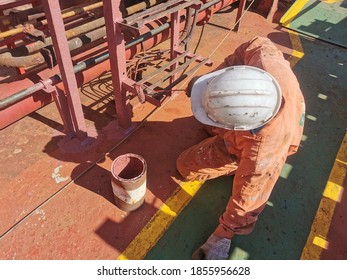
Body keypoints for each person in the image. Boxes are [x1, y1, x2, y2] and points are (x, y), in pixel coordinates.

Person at [176, 36, 305, 260]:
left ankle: (236, 163)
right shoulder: (262, 58)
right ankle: (225, 140)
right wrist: (207, 82)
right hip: (255, 128)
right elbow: (251, 44)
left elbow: (249, 199)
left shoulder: (262, 152)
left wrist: (220, 237)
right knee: (204, 121)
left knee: (186, 167)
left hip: (266, 144)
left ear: (237, 126)